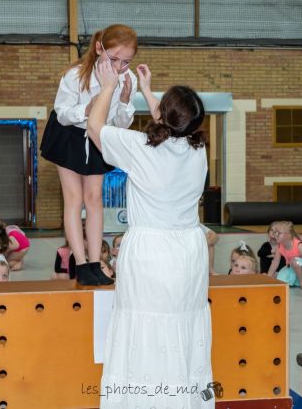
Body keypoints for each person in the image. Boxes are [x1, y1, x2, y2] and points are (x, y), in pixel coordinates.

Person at [88, 60, 212, 408]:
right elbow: (174, 125)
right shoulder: (198, 149)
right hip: (188, 251)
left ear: (165, 115)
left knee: (145, 331)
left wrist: (109, 84)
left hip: (151, 252)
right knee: (181, 330)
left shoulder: (140, 145)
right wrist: (146, 91)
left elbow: (94, 127)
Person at [40, 24, 139, 286]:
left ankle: (95, 263)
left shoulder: (128, 79)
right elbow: (62, 112)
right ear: (99, 48)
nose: (118, 66)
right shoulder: (75, 75)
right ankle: (81, 264)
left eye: (126, 61)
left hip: (98, 135)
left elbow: (121, 123)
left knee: (94, 199)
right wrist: (87, 109)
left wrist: (127, 99)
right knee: (73, 198)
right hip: (69, 133)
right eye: (113, 58)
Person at [268, 221, 302, 290]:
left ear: (288, 235)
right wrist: (268, 278)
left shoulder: (299, 245)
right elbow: (275, 263)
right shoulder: (279, 246)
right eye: (275, 232)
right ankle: (296, 280)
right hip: (292, 267)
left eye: (278, 233)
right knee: (281, 280)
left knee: (294, 261)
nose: (275, 235)